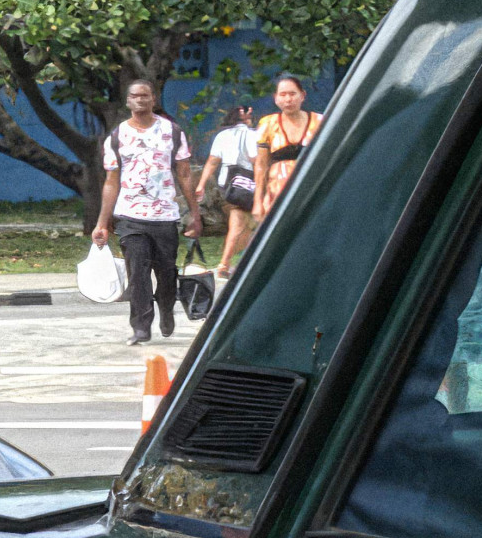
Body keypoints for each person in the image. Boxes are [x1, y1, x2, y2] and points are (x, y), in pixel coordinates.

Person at [91, 79, 201, 343]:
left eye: (145, 96)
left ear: (153, 99)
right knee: (137, 274)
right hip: (130, 216)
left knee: (166, 273)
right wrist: (102, 223)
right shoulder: (117, 137)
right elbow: (111, 182)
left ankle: (166, 309)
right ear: (128, 101)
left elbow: (184, 174)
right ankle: (140, 326)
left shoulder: (172, 132)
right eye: (135, 96)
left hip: (164, 216)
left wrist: (194, 213)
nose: (140, 100)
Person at [195, 104, 258, 276]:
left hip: (227, 185)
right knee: (242, 224)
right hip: (247, 184)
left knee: (240, 224)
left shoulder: (222, 136)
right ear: (247, 117)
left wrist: (201, 185)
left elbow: (212, 162)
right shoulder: (254, 135)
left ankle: (229, 261)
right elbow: (255, 160)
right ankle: (226, 262)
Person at [255, 74, 324, 219]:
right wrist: (257, 201)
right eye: (283, 94)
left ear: (302, 95)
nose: (288, 99)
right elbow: (261, 164)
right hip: (277, 193)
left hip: (311, 190)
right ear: (276, 97)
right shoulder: (268, 124)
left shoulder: (320, 122)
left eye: (293, 94)